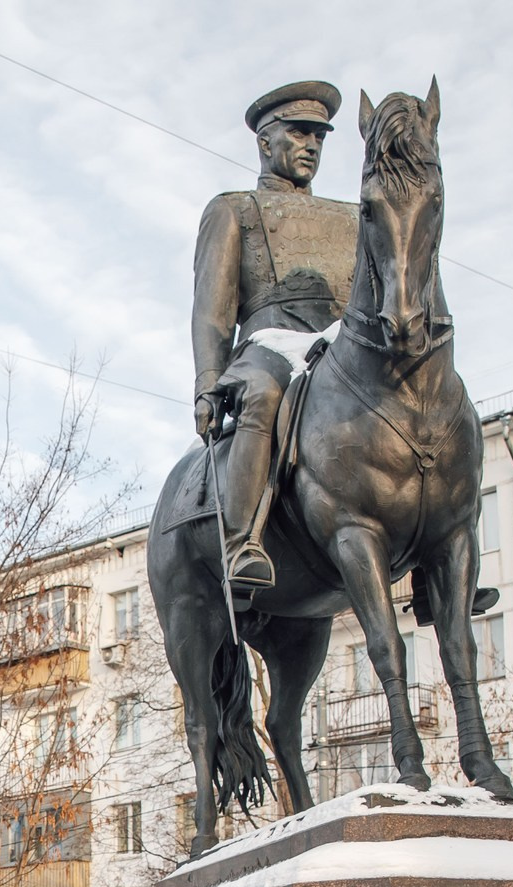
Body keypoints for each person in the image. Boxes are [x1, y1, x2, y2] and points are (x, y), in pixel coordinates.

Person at [190, 78, 359, 590]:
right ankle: (242, 544)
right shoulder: (234, 209)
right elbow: (212, 311)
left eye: (320, 137)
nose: (311, 146)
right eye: (300, 133)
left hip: (339, 347)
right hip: (269, 346)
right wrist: (207, 382)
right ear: (266, 142)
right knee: (263, 396)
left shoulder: (353, 218)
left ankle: (435, 562)